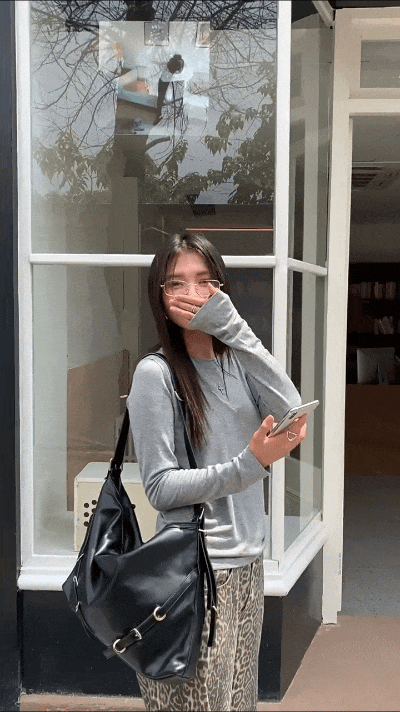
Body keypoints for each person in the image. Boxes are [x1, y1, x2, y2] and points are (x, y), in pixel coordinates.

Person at [127, 233, 307, 712]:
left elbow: (291, 410)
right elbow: (160, 487)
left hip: (248, 564)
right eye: (176, 283)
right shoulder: (155, 374)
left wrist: (234, 329)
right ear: (160, 296)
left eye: (206, 281)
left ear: (222, 290)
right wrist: (249, 464)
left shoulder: (237, 363)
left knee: (238, 702)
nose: (192, 293)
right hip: (196, 574)